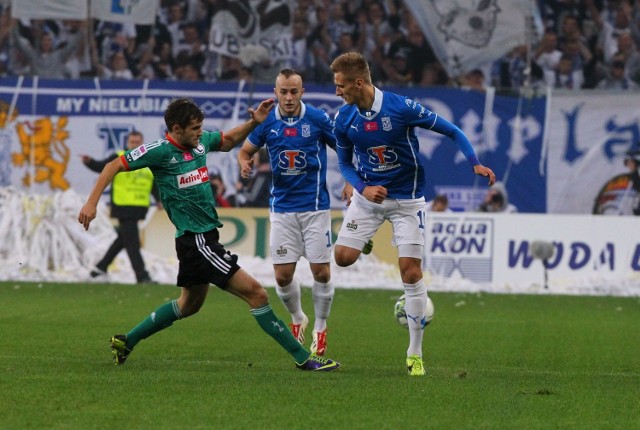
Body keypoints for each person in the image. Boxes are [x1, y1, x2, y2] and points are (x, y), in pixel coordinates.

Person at [78, 97, 340, 372]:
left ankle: (126, 341)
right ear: (177, 129)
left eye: (201, 127)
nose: (200, 132)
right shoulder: (159, 151)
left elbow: (226, 141)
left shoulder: (199, 143)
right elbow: (113, 166)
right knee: (257, 294)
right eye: (195, 128)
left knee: (188, 305)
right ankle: (303, 358)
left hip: (200, 240)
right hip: (197, 241)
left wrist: (253, 122)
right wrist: (91, 202)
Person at [328, 52, 495, 376]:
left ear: (358, 83)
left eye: (341, 86)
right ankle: (365, 240)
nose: (338, 92)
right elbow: (345, 163)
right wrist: (362, 187)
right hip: (369, 199)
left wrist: (474, 161)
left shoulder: (400, 108)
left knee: (411, 273)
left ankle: (415, 353)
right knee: (343, 258)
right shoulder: (343, 118)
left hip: (407, 202)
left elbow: (453, 131)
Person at [237, 68, 336, 356]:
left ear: (302, 92)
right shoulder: (266, 121)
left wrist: (351, 181)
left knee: (321, 271)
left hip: (315, 208)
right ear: (276, 92)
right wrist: (244, 163)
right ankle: (297, 318)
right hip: (282, 209)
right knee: (281, 277)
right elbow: (245, 151)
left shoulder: (317, 118)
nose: (289, 97)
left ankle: (320, 326)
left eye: (294, 91)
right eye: (284, 92)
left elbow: (343, 149)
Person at [81, 130, 156, 284]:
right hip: (123, 206)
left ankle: (99, 269)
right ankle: (142, 275)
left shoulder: (148, 160)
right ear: (127, 143)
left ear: (141, 143)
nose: (134, 145)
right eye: (132, 142)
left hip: (139, 207)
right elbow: (103, 168)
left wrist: (160, 199)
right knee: (133, 243)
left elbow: (154, 183)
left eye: (137, 142)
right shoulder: (119, 157)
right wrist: (90, 162)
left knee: (123, 239)